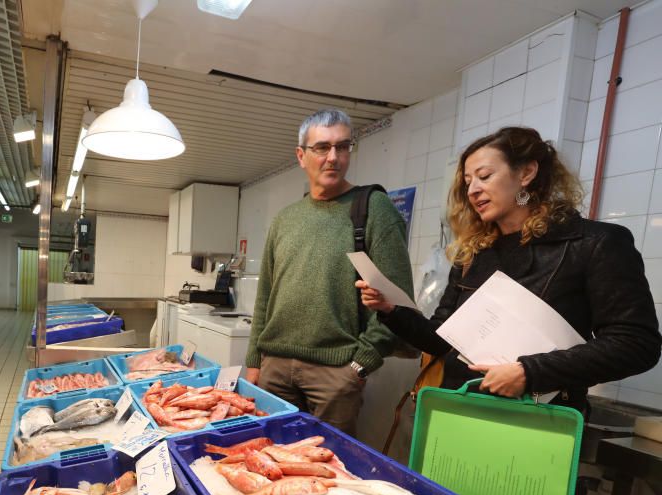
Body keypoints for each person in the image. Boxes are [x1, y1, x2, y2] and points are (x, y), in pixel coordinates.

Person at [358, 126, 661, 411]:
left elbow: (636, 345)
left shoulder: (594, 243)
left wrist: (529, 372)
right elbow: (440, 340)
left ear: (526, 173)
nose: (473, 190)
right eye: (467, 182)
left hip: (536, 420)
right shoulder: (473, 254)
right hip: (459, 408)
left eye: (484, 176)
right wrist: (391, 311)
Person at [244, 108, 414, 436]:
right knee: (268, 460)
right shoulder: (285, 219)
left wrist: (359, 365)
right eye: (322, 147)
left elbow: (398, 299)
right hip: (274, 368)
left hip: (335, 371)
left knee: (327, 469)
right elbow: (266, 293)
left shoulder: (375, 208)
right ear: (301, 155)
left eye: (343, 147)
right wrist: (255, 361)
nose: (333, 157)